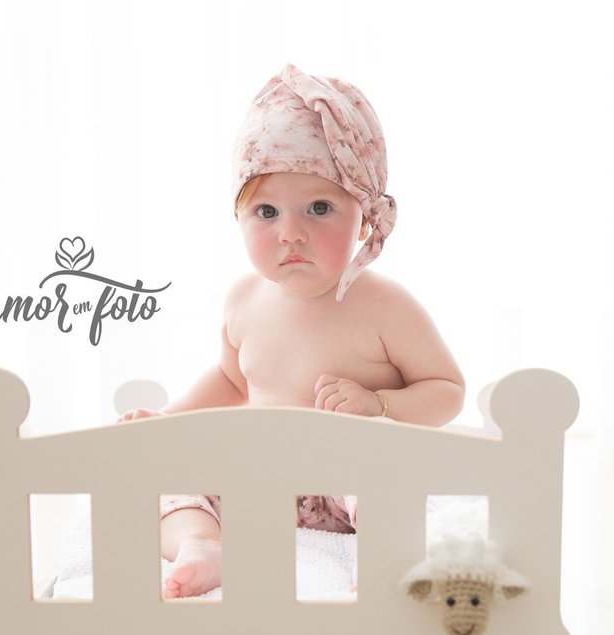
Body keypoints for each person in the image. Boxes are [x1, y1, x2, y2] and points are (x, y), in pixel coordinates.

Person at [117, 64, 465, 598]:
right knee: (166, 484)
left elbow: (447, 390)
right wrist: (169, 423)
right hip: (263, 475)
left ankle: (382, 557)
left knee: (388, 487)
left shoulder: (384, 306)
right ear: (237, 219)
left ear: (364, 218)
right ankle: (203, 544)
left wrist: (379, 405)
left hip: (350, 474)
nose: (290, 233)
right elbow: (231, 381)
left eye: (319, 208)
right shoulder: (244, 300)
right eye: (266, 211)